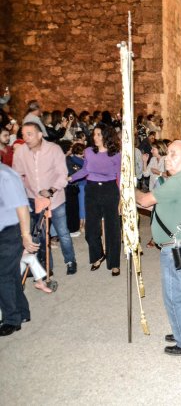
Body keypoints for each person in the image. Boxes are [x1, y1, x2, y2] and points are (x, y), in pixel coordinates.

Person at [136, 140, 181, 356]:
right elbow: (157, 205)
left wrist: (129, 188)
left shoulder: (178, 181)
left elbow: (146, 201)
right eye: (168, 153)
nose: (167, 158)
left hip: (177, 249)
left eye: (173, 154)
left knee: (175, 295)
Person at [12, 122, 78, 275]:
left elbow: (62, 174)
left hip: (55, 199)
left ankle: (70, 260)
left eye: (30, 134)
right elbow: (18, 175)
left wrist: (51, 190)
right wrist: (23, 189)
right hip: (34, 200)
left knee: (63, 233)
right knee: (40, 236)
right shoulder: (20, 152)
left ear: (40, 135)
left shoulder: (54, 149)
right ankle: (47, 266)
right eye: (23, 135)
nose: (26, 138)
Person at [70, 123, 122, 276]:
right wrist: (71, 178)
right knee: (91, 229)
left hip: (110, 190)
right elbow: (85, 170)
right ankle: (98, 255)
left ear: (106, 136)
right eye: (94, 134)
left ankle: (114, 263)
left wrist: (120, 197)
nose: (95, 137)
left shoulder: (116, 154)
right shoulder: (88, 151)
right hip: (92, 190)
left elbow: (120, 176)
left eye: (99, 134)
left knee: (112, 229)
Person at [0, 162, 39, 336]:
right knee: (11, 274)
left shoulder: (5, 176)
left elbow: (22, 207)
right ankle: (22, 312)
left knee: (3, 275)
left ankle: (11, 319)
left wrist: (25, 235)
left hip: (10, 231)